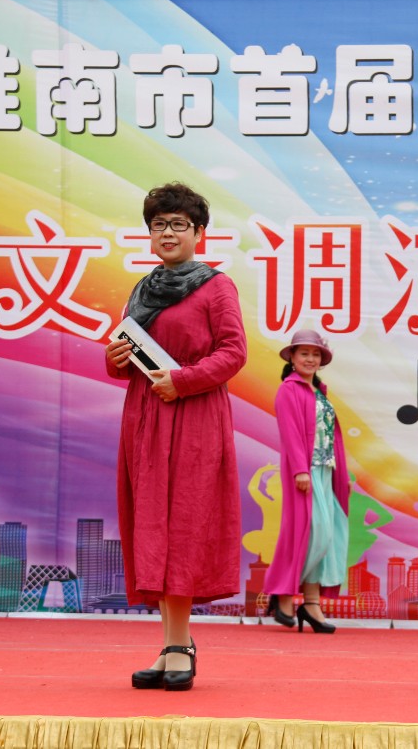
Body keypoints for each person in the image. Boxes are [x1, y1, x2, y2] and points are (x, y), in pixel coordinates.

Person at [104, 183, 247, 691]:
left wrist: (182, 381)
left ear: (199, 232)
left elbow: (234, 353)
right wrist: (114, 360)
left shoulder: (216, 287)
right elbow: (126, 355)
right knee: (153, 529)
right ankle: (170, 645)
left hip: (193, 418)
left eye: (178, 224)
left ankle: (180, 645)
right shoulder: (142, 290)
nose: (167, 233)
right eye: (159, 224)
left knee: (182, 526)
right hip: (145, 419)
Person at [263, 329, 351, 634]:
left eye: (315, 354)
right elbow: (290, 433)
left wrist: (340, 475)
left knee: (325, 536)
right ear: (292, 357)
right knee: (306, 533)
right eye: (304, 353)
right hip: (305, 471)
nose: (310, 359)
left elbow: (330, 437)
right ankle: (283, 593)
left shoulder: (319, 391)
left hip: (325, 471)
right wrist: (300, 469)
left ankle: (311, 603)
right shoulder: (289, 390)